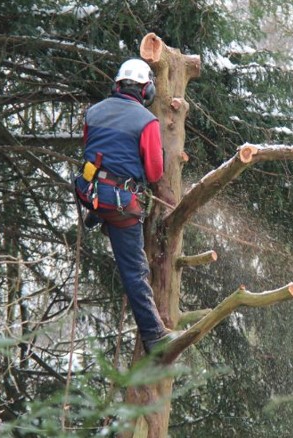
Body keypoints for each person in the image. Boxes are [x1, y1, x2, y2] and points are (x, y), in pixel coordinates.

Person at [74, 59, 178, 354]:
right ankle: (155, 336)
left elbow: (91, 150)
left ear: (117, 85)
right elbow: (155, 173)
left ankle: (96, 212)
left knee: (102, 185)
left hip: (90, 191)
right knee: (135, 271)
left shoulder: (93, 112)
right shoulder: (146, 121)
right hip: (120, 205)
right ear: (146, 91)